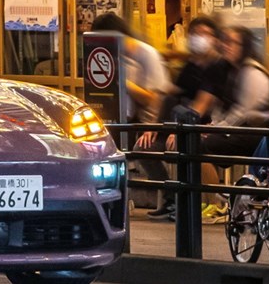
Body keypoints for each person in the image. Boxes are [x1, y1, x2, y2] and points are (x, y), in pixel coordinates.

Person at [140, 16, 225, 221]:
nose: (199, 38)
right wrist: (153, 126)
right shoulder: (190, 65)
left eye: (205, 34)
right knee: (143, 148)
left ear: (215, 38)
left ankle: (212, 204)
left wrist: (180, 129)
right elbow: (169, 94)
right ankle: (172, 199)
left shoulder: (218, 67)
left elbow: (202, 103)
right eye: (196, 34)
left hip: (205, 126)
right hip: (180, 125)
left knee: (192, 146)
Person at [89, 13, 169, 123]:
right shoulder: (113, 55)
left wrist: (121, 81)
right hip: (119, 118)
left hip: (146, 124)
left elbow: (153, 100)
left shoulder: (148, 54)